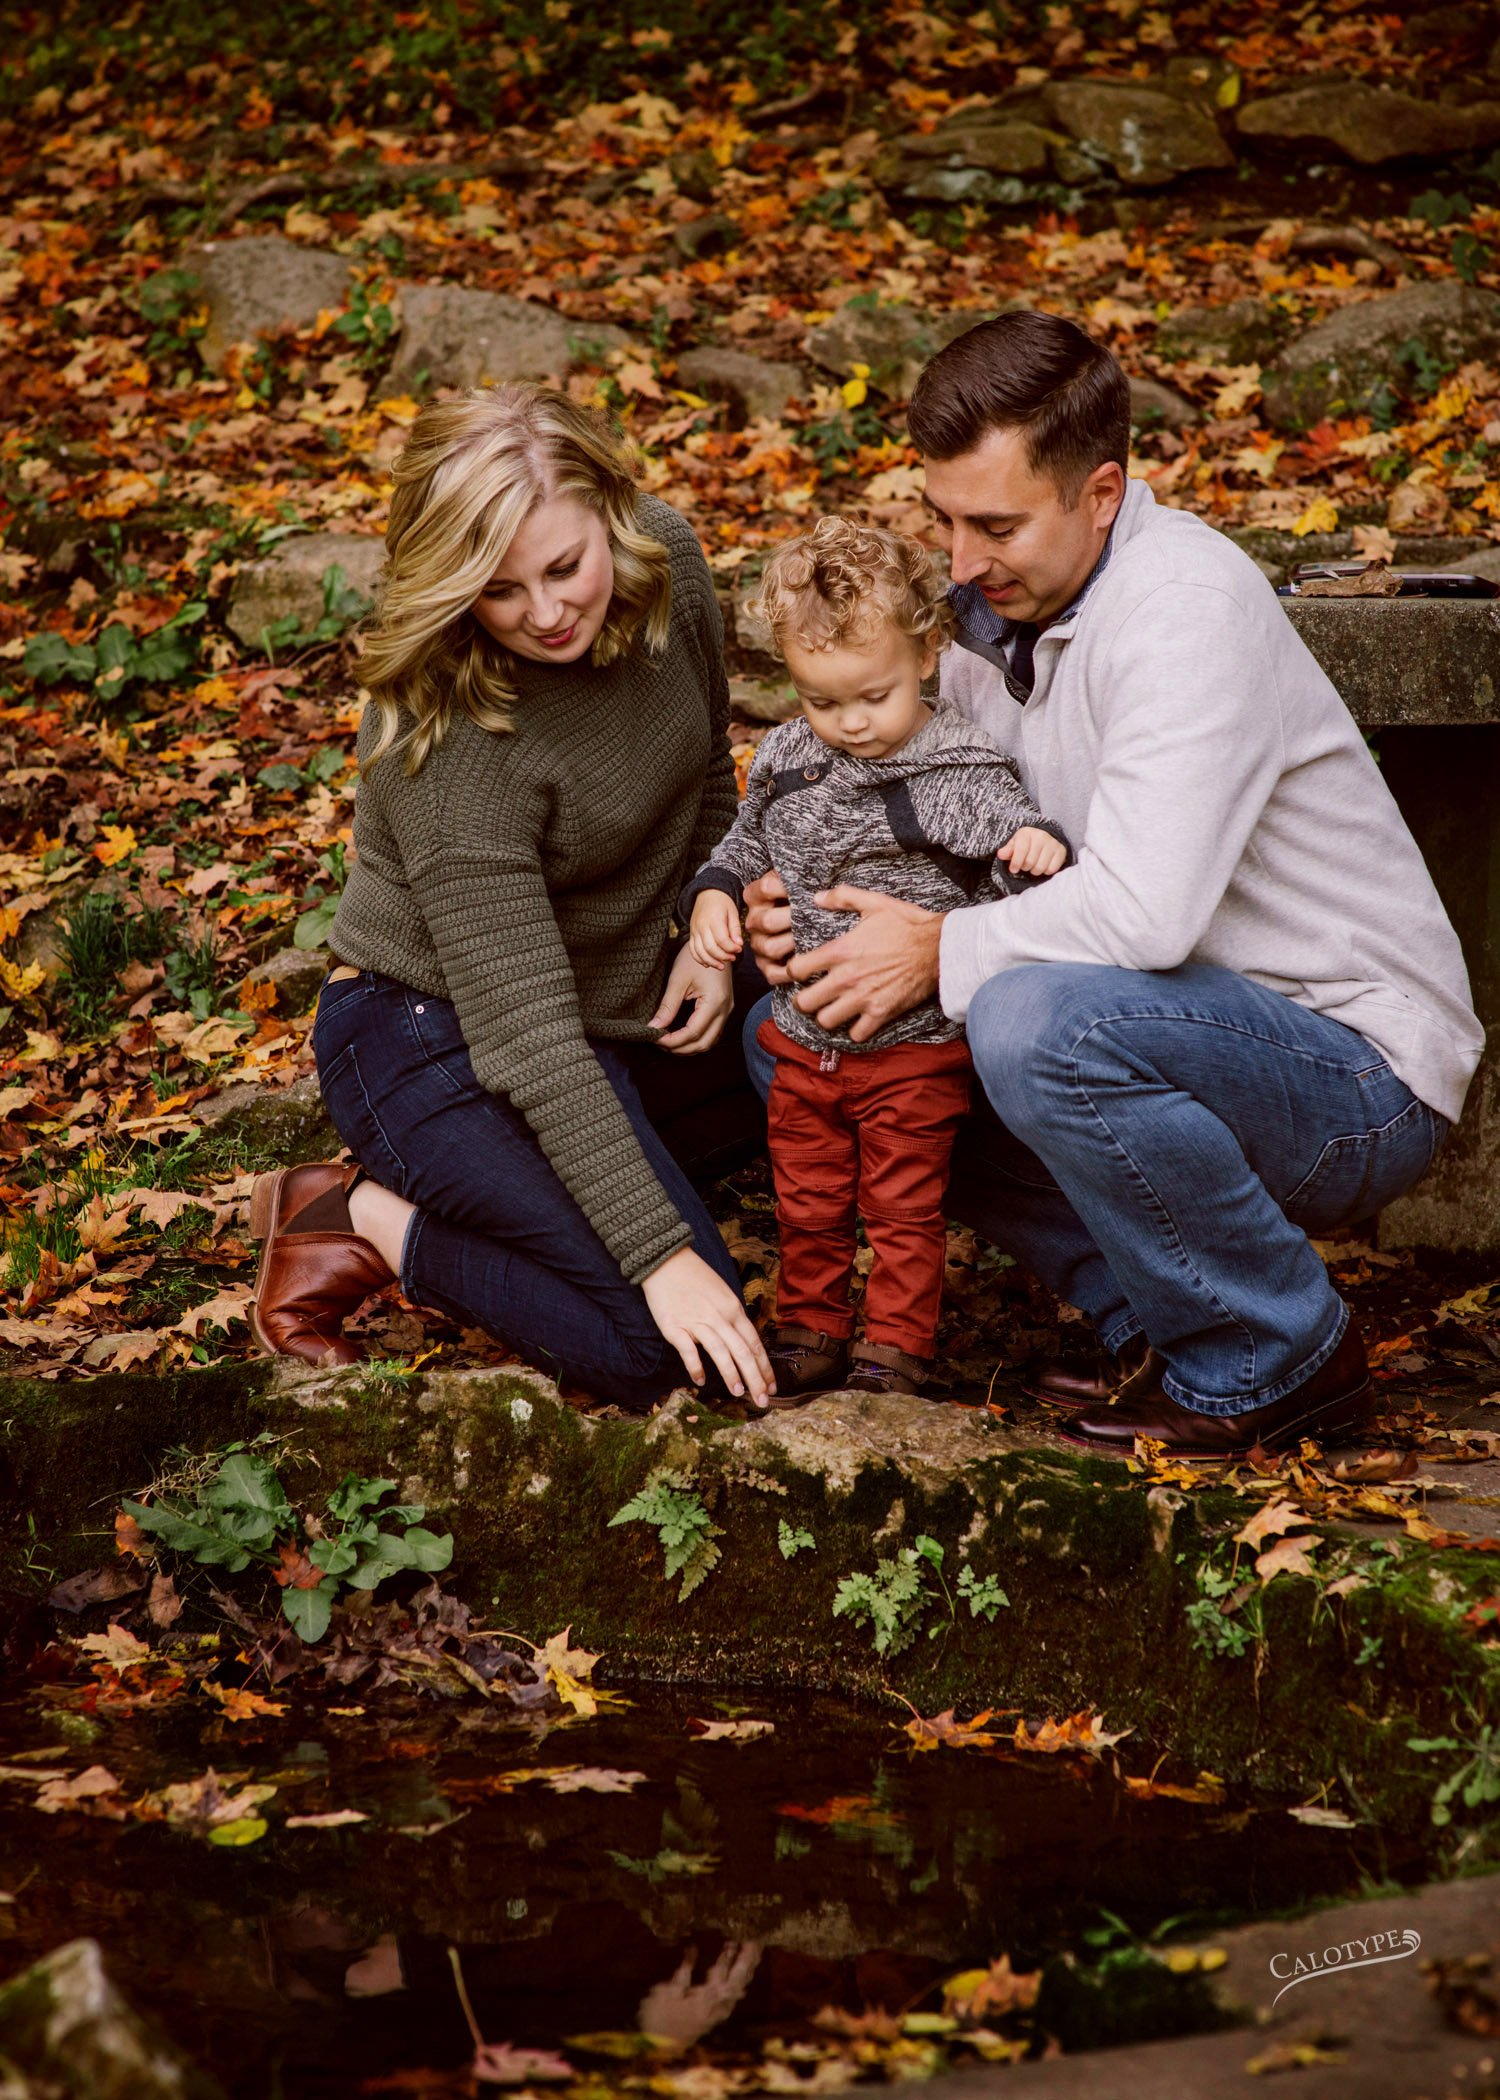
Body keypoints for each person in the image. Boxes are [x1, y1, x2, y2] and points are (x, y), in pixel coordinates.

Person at [738, 309, 1484, 1458]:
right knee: (809, 1033)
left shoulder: (1186, 610)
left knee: (1038, 1019)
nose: (959, 564)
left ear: (1099, 495)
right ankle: (1158, 1314)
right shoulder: (992, 612)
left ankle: (1275, 1354)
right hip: (1165, 1026)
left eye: (994, 525)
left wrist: (931, 952)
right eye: (942, 520)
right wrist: (806, 907)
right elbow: (916, 805)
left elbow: (1143, 913)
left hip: (1350, 1072)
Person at [250, 381, 774, 1412]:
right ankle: (363, 1217)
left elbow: (708, 771)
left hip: (609, 997)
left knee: (821, 1034)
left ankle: (538, 1193)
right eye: (497, 590)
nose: (545, 613)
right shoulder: (442, 734)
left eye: (566, 567)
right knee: (663, 1350)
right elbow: (527, 1040)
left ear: (613, 515)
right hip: (433, 1037)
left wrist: (714, 935)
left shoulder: (670, 565)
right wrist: (660, 1254)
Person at [682, 517, 1069, 1402]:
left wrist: (1036, 842)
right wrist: (711, 891)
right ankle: (810, 1328)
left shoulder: (952, 770)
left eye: (872, 696)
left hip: (911, 1050)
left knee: (902, 1212)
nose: (850, 724)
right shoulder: (787, 755)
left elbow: (1015, 850)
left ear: (927, 654)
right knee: (807, 1206)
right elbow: (746, 843)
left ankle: (897, 1347)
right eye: (823, 701)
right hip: (802, 1042)